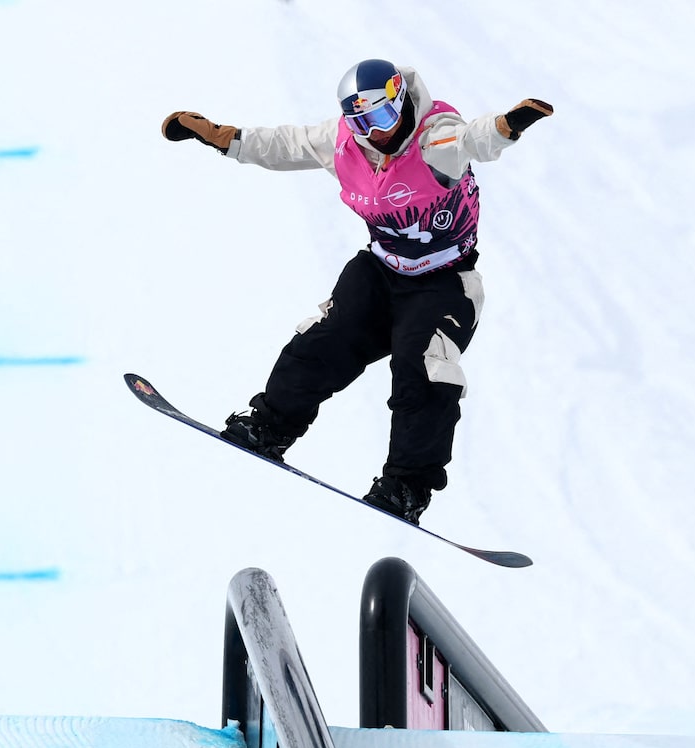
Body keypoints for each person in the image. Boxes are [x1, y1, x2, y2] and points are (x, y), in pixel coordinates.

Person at [161, 59, 551, 524]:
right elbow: (284, 145)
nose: (375, 132)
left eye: (383, 117)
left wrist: (508, 127)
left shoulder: (435, 139)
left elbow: (473, 138)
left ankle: (406, 487)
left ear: (401, 101)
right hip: (380, 271)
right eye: (361, 121)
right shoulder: (344, 142)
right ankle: (268, 428)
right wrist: (226, 138)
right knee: (323, 341)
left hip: (444, 283)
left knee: (423, 370)